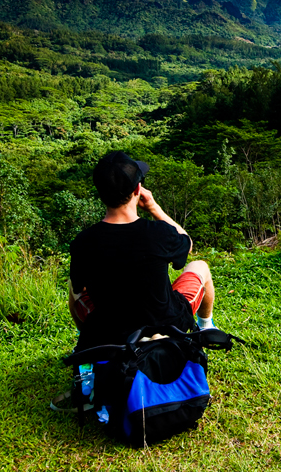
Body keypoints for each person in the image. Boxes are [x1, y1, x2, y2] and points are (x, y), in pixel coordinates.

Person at [67, 151, 219, 354]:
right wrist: (154, 208)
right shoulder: (159, 232)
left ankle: (91, 341)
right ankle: (206, 325)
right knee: (200, 266)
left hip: (110, 331)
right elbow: (187, 244)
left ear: (100, 193)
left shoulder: (83, 241)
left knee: (73, 284)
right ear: (138, 189)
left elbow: (79, 287)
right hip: (169, 326)